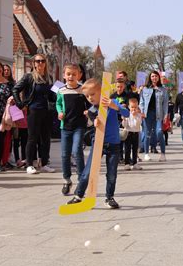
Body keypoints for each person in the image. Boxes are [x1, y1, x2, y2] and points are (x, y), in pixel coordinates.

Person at [67, 78, 130, 208]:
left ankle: (109, 198)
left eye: (93, 94)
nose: (90, 98)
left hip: (114, 144)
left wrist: (116, 107)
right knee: (88, 171)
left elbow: (127, 113)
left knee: (112, 173)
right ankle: (78, 195)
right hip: (99, 144)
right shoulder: (92, 110)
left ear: (101, 91)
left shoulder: (112, 102)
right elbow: (91, 123)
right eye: (87, 96)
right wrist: (93, 122)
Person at [13, 54, 56, 175]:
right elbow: (15, 89)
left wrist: (59, 90)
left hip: (47, 111)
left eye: (42, 61)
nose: (40, 63)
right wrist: (20, 104)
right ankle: (30, 164)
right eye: (38, 61)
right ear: (34, 63)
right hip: (33, 111)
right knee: (32, 138)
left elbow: (52, 96)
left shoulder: (49, 78)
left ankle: (44, 163)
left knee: (45, 139)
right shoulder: (29, 77)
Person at [56, 64, 89, 195]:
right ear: (64, 75)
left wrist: (88, 111)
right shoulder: (61, 90)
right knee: (65, 154)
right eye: (68, 74)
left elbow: (90, 103)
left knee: (77, 152)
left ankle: (81, 180)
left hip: (79, 127)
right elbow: (58, 103)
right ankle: (67, 179)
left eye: (74, 74)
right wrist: (59, 112)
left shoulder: (83, 90)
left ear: (79, 75)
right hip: (65, 127)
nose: (71, 76)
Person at [139, 71, 168, 162]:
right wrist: (142, 112)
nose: (154, 78)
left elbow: (165, 104)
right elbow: (141, 102)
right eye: (152, 76)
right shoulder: (145, 89)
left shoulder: (163, 90)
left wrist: (166, 115)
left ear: (158, 77)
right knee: (147, 134)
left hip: (158, 114)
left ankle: (163, 154)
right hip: (147, 114)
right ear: (150, 78)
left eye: (156, 76)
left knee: (159, 132)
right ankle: (146, 154)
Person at [111, 78, 129, 163]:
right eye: (118, 86)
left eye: (121, 87)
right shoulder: (112, 96)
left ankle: (124, 156)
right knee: (117, 137)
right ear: (115, 86)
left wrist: (126, 106)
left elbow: (130, 106)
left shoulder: (127, 96)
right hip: (115, 119)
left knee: (124, 138)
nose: (119, 88)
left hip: (124, 119)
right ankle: (119, 156)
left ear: (124, 86)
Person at [123, 97, 142, 170]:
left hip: (136, 133)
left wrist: (135, 116)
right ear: (129, 107)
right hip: (128, 133)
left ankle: (135, 163)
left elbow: (138, 124)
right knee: (127, 149)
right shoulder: (127, 114)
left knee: (135, 149)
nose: (133, 109)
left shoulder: (138, 115)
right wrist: (124, 120)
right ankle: (127, 163)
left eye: (135, 107)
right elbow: (125, 125)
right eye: (132, 107)